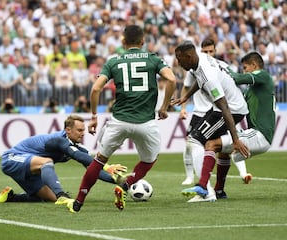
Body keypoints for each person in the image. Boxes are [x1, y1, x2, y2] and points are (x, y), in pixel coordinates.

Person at [65, 25, 176, 213]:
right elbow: (172, 79)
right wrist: (164, 107)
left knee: (98, 161)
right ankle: (126, 185)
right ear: (142, 42)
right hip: (145, 123)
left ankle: (78, 202)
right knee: (150, 159)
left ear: (123, 42)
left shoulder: (113, 61)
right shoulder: (153, 59)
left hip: (119, 121)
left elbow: (95, 89)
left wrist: (93, 117)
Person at [0, 115, 128, 204]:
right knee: (46, 161)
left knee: (47, 198)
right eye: (79, 130)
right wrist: (107, 166)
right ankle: (61, 196)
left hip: (33, 168)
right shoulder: (58, 140)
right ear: (68, 130)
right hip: (13, 158)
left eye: (83, 130)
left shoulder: (76, 147)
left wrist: (118, 180)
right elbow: (79, 156)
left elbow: (93, 169)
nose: (83, 134)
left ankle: (10, 197)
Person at [172, 40, 250, 202]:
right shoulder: (199, 60)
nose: (178, 63)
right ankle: (209, 189)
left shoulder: (208, 76)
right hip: (223, 108)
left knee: (195, 140)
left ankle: (205, 191)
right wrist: (186, 96)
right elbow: (198, 80)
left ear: (189, 56)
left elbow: (225, 107)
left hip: (231, 109)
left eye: (180, 59)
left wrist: (235, 140)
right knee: (207, 143)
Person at [196, 52, 276, 199]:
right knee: (223, 149)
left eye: (246, 67)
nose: (244, 71)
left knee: (211, 144)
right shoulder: (253, 89)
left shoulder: (263, 75)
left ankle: (202, 186)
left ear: (254, 65)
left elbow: (238, 78)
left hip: (260, 134)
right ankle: (219, 190)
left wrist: (223, 68)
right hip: (256, 133)